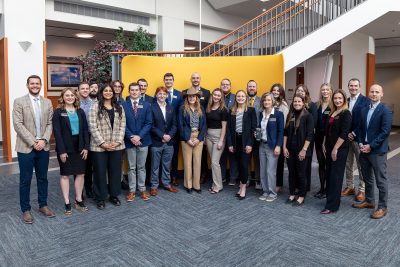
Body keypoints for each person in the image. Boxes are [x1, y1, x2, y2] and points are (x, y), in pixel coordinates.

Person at [13, 75, 55, 223]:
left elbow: (50, 123)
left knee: (43, 178)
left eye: (37, 83)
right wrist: (33, 142)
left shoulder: (48, 102)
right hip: (25, 147)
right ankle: (26, 209)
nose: (35, 86)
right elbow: (18, 125)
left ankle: (43, 205)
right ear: (27, 85)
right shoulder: (19, 101)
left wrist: (43, 140)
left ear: (41, 85)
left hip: (43, 147)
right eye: (32, 83)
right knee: (25, 179)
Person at [352, 84, 392, 219]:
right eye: (372, 91)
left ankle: (382, 207)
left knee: (381, 180)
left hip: (377, 151)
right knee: (367, 177)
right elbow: (360, 129)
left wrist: (371, 146)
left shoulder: (385, 110)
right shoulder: (364, 109)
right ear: (368, 93)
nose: (374, 94)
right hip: (364, 149)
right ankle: (369, 201)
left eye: (377, 92)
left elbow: (385, 132)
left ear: (382, 94)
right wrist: (361, 143)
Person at [53, 88, 90, 214]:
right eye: (67, 95)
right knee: (65, 174)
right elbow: (57, 133)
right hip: (65, 147)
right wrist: (62, 151)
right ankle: (67, 201)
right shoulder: (58, 112)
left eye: (72, 95)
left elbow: (85, 130)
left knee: (80, 173)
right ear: (62, 97)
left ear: (75, 97)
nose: (70, 97)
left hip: (79, 147)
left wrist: (86, 147)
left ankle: (78, 199)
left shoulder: (80, 111)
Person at [89, 84, 126, 209]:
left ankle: (114, 195)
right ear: (101, 92)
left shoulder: (119, 107)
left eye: (110, 90)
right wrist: (103, 144)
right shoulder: (95, 107)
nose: (108, 92)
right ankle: (100, 197)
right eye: (106, 90)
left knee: (115, 172)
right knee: (99, 172)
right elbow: (93, 127)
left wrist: (118, 141)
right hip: (99, 147)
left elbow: (123, 125)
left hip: (116, 146)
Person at [320, 89, 352, 214]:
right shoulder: (332, 112)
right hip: (328, 147)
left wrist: (335, 149)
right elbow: (326, 130)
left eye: (340, 98)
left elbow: (344, 134)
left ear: (344, 99)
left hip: (339, 149)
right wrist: (323, 143)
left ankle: (332, 206)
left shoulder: (346, 113)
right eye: (335, 98)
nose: (337, 100)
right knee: (329, 174)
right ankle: (330, 199)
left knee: (335, 177)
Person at [122, 82, 152, 201]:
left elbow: (149, 123)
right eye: (132, 90)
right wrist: (131, 137)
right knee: (131, 167)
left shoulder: (147, 105)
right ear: (129, 92)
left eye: (136, 90)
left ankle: (142, 189)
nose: (134, 92)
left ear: (140, 91)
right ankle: (132, 190)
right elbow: (122, 124)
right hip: (129, 141)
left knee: (141, 167)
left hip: (143, 141)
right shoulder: (123, 105)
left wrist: (139, 136)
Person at [342, 78, 370, 202]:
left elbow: (365, 121)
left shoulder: (365, 101)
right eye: (351, 86)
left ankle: (362, 190)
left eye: (355, 86)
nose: (353, 88)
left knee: (361, 165)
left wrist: (354, 133)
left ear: (360, 87)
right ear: (348, 87)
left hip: (359, 138)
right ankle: (350, 186)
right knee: (348, 163)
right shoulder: (346, 101)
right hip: (347, 139)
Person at [283, 95, 314, 206]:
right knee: (292, 173)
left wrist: (304, 150)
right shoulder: (290, 115)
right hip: (290, 149)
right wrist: (284, 147)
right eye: (295, 101)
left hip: (302, 150)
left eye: (299, 101)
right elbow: (285, 133)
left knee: (301, 174)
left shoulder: (308, 116)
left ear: (303, 102)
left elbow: (310, 135)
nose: (296, 103)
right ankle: (292, 194)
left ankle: (301, 196)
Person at [226, 90, 257, 200]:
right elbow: (229, 129)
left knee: (244, 165)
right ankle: (241, 186)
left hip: (246, 141)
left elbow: (254, 128)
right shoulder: (232, 111)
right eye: (238, 96)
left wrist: (250, 144)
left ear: (246, 98)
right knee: (238, 164)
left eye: (242, 96)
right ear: (236, 98)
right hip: (235, 141)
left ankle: (243, 188)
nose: (240, 98)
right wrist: (229, 144)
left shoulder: (251, 110)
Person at [150, 86, 179, 195]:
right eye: (159, 94)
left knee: (167, 165)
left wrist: (169, 136)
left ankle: (166, 183)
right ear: (156, 95)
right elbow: (151, 125)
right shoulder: (152, 107)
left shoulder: (171, 107)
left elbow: (175, 125)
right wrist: (162, 135)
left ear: (167, 95)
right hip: (156, 141)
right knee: (155, 165)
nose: (162, 96)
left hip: (169, 142)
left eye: (164, 94)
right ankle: (154, 186)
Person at [179, 87, 207, 194]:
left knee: (197, 162)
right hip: (186, 137)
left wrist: (199, 138)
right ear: (187, 98)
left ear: (196, 97)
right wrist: (187, 139)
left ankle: (196, 185)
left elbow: (204, 125)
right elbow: (180, 125)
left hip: (198, 136)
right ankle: (188, 185)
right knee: (187, 162)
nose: (191, 98)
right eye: (189, 96)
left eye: (193, 96)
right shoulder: (182, 108)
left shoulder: (201, 108)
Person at [257, 93, 284, 202]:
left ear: (272, 101)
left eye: (268, 100)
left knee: (270, 171)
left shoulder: (278, 114)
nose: (266, 102)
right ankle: (265, 191)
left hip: (272, 146)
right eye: (264, 100)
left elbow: (281, 131)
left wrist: (278, 146)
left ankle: (273, 193)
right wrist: (257, 134)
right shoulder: (261, 114)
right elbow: (260, 128)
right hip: (262, 145)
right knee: (263, 170)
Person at [294, 84, 317, 192]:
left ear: (306, 93)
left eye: (302, 91)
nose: (300, 92)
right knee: (297, 164)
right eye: (298, 90)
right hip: (296, 139)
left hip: (307, 139)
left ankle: (305, 186)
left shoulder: (311, 105)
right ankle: (298, 184)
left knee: (306, 163)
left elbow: (313, 123)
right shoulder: (294, 104)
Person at [205, 88, 228, 194]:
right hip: (208, 136)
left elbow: (224, 127)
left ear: (221, 97)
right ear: (212, 95)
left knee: (215, 162)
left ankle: (218, 186)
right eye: (215, 94)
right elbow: (206, 123)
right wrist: (205, 136)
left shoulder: (223, 109)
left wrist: (221, 141)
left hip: (218, 136)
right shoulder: (208, 108)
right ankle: (215, 184)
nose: (216, 97)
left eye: (219, 95)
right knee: (212, 162)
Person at [163, 73, 183, 186]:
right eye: (166, 80)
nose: (168, 81)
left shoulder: (179, 94)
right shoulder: (160, 94)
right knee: (163, 154)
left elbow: (180, 112)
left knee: (174, 155)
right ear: (164, 81)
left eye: (170, 79)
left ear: (173, 80)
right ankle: (163, 176)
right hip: (163, 130)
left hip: (175, 130)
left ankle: (174, 176)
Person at [314, 83, 333, 199]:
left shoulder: (334, 104)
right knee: (321, 164)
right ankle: (322, 188)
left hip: (329, 138)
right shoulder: (317, 105)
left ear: (331, 91)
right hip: (318, 137)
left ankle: (328, 189)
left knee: (328, 164)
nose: (325, 91)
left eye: (327, 89)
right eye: (323, 90)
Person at [270, 83, 289, 193]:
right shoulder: (270, 102)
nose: (276, 92)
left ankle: (279, 184)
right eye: (274, 90)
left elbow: (284, 124)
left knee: (279, 162)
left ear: (281, 93)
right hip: (270, 137)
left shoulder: (283, 105)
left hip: (279, 136)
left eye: (278, 91)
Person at [78, 82, 94, 198]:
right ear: (78, 90)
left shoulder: (95, 103)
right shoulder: (74, 103)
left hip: (91, 136)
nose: (85, 90)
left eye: (87, 88)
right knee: (79, 166)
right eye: (82, 88)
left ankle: (89, 189)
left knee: (89, 166)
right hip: (77, 137)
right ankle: (80, 192)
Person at [220, 78, 236, 184]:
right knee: (221, 155)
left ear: (230, 86)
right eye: (223, 84)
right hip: (219, 130)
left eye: (227, 84)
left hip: (232, 130)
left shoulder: (235, 97)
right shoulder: (217, 96)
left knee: (232, 154)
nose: (225, 86)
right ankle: (222, 176)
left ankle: (233, 177)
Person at [247, 80, 261, 189]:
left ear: (256, 88)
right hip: (246, 134)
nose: (251, 88)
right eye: (250, 86)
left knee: (257, 157)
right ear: (247, 88)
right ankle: (246, 178)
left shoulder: (262, 101)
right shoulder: (242, 99)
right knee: (246, 157)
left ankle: (257, 180)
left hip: (258, 132)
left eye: (253, 86)